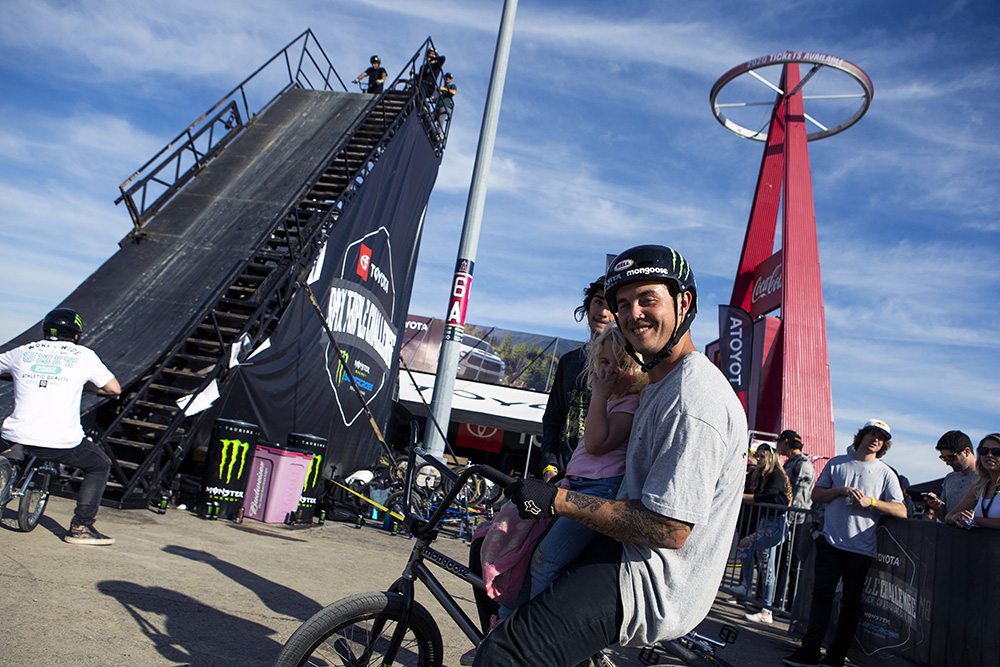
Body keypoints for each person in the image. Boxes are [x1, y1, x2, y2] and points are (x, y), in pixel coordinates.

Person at [474, 245, 748, 667]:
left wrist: (558, 500)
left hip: (647, 579)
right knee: (490, 553)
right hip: (621, 547)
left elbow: (669, 528)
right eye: (623, 304)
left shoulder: (695, 398)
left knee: (503, 656)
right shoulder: (658, 383)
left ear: (684, 303)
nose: (634, 313)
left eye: (648, 300)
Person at [464, 324, 646, 665]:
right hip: (577, 487)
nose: (606, 371)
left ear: (635, 369)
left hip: (599, 495)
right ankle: (503, 623)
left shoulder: (629, 403)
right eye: (602, 362)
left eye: (617, 364)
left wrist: (599, 395)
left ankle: (530, 636)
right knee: (518, 544)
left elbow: (593, 443)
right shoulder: (614, 400)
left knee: (545, 559)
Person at [783, 419, 906, 667]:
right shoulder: (837, 462)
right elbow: (816, 494)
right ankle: (809, 651)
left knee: (850, 603)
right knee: (822, 596)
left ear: (884, 445)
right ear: (860, 436)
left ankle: (836, 657)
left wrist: (871, 502)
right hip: (830, 541)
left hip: (861, 548)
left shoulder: (885, 472)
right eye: (871, 434)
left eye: (881, 437)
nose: (875, 439)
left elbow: (901, 510)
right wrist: (839, 491)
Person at [0, 308, 121, 545]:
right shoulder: (84, 356)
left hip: (15, 434)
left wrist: (21, 376)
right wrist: (81, 386)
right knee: (99, 466)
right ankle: (80, 528)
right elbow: (113, 389)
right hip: (59, 441)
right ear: (76, 335)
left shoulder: (25, 351)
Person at [538, 277, 611, 481]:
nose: (603, 312)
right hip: (561, 475)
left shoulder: (628, 367)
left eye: (611, 305)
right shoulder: (569, 362)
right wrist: (549, 466)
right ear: (587, 307)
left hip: (600, 479)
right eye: (598, 302)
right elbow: (553, 419)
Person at [733, 442, 792, 625]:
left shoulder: (776, 475)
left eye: (761, 456)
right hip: (764, 522)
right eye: (757, 456)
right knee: (767, 566)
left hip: (775, 524)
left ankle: (748, 588)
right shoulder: (759, 475)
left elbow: (772, 496)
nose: (758, 459)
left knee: (748, 546)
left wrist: (747, 498)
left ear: (770, 457)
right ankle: (765, 609)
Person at [944, 433, 1000, 530]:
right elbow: (949, 516)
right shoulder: (979, 486)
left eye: (996, 451)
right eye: (984, 451)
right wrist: (956, 517)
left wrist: (975, 520)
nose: (989, 455)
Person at [925, 430, 977, 521]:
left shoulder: (987, 478)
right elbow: (944, 519)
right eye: (943, 458)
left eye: (950, 457)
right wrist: (938, 506)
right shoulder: (950, 478)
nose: (947, 463)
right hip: (950, 534)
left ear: (967, 451)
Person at [434, 72, 456, 138]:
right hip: (438, 106)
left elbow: (454, 92)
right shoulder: (440, 88)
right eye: (447, 77)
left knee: (440, 121)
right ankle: (434, 131)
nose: (448, 79)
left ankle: (439, 134)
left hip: (445, 106)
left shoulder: (451, 86)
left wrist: (444, 89)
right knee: (430, 118)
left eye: (449, 78)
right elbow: (434, 98)